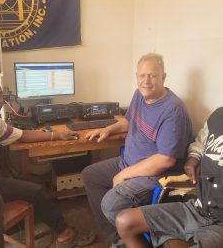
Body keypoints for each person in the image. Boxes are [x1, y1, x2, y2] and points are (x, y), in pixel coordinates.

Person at [0, 75, 90, 248]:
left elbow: (23, 135)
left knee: (36, 191)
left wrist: (57, 135)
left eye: (0, 96)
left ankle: (64, 234)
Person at [81, 53, 193, 245]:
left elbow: (165, 160)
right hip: (129, 163)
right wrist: (107, 129)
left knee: (111, 204)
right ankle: (116, 238)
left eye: (152, 75)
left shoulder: (173, 110)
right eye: (142, 76)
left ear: (163, 77)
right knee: (90, 175)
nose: (146, 81)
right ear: (136, 77)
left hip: (154, 175)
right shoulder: (139, 95)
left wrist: (124, 174)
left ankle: (135, 237)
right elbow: (127, 121)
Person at [115, 107, 223, 248]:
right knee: (124, 221)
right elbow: (200, 142)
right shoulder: (218, 116)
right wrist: (193, 158)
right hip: (198, 208)